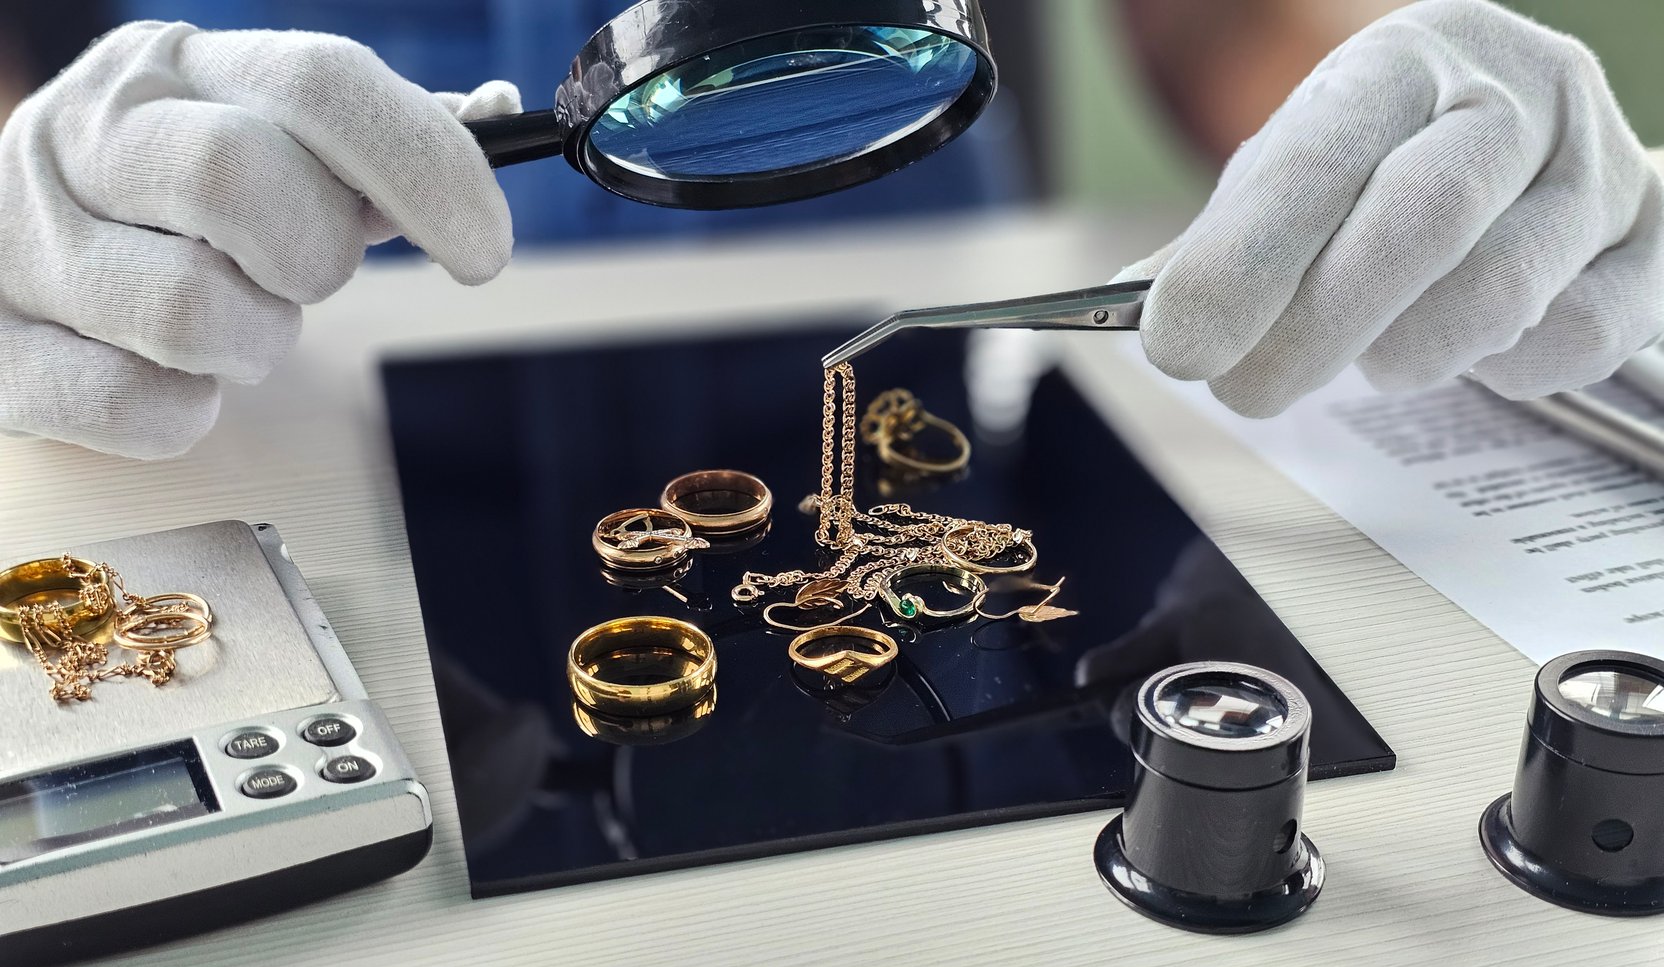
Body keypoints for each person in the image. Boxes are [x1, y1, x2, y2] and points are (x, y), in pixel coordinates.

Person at [0, 0, 1659, 457]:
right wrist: (43, 198)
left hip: (987, 398)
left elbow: (1219, 22)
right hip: (300, 426)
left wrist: (1427, 127)